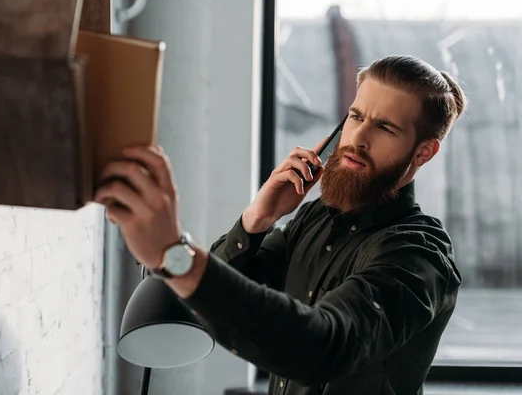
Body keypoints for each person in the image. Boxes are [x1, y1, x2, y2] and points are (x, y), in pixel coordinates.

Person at [94, 55, 466, 395]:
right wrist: (257, 219)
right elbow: (211, 303)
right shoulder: (314, 217)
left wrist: (176, 255)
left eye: (384, 128)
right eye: (355, 117)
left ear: (423, 151)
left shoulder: (419, 255)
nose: (358, 139)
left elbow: (321, 346)